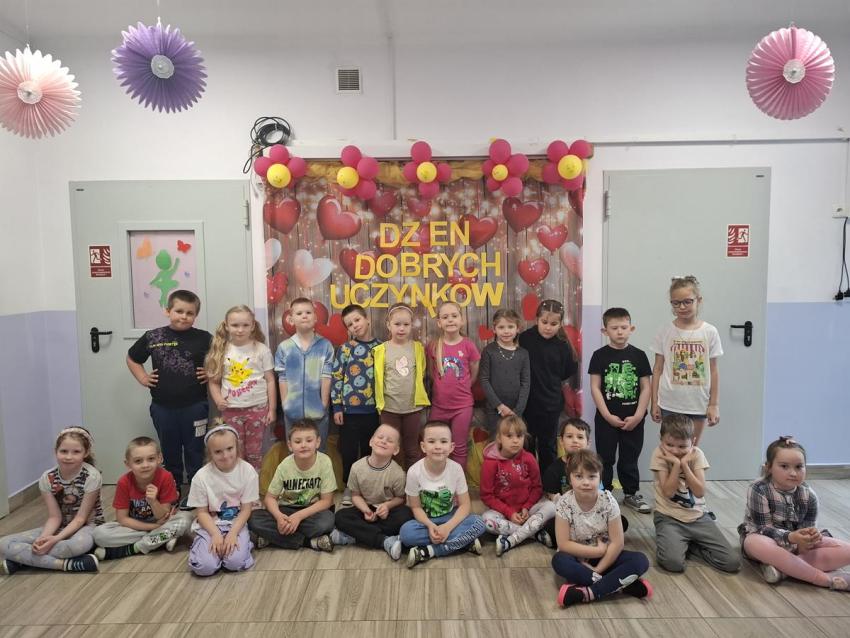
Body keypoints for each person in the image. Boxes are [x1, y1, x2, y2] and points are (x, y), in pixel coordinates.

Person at [739, 436, 850, 590]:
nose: (793, 473)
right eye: (784, 466)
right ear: (768, 467)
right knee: (753, 543)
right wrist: (791, 537)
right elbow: (762, 528)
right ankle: (824, 579)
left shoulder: (809, 495)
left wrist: (809, 538)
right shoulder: (758, 489)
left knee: (847, 549)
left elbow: (808, 528)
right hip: (767, 540)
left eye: (799, 467)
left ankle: (783, 570)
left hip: (796, 545)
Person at [127, 289, 212, 492]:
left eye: (189, 313)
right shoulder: (153, 336)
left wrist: (211, 373)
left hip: (195, 407)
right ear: (168, 311)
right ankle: (172, 489)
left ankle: (197, 490)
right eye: (179, 311)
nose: (184, 316)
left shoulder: (204, 338)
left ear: (196, 315)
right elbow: (132, 358)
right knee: (169, 450)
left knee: (195, 449)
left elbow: (223, 359)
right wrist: (143, 377)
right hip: (163, 408)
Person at [552, 449, 652, 607]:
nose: (585, 482)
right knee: (559, 561)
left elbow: (617, 543)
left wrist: (598, 569)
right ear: (570, 478)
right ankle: (618, 585)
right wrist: (596, 552)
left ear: (600, 477)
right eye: (579, 476)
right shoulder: (564, 503)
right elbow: (564, 544)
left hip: (606, 557)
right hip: (576, 557)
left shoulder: (608, 501)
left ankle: (589, 592)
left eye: (592, 476)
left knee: (640, 560)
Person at [0, 427, 103, 574]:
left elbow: (81, 519)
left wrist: (55, 539)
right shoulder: (47, 478)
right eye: (63, 451)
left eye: (76, 452)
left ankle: (21, 561)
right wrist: (43, 539)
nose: (68, 457)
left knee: (75, 546)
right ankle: (66, 564)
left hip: (88, 526)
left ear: (85, 453)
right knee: (3, 543)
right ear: (56, 451)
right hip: (60, 525)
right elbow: (55, 517)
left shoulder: (91, 476)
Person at [651, 415, 740, 573]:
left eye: (682, 446)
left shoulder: (697, 454)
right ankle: (681, 543)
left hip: (699, 517)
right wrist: (676, 465)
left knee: (732, 563)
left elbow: (699, 492)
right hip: (668, 517)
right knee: (673, 564)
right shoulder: (659, 454)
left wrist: (685, 465)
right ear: (661, 439)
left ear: (693, 441)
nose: (675, 451)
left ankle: (689, 545)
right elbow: (668, 492)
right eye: (669, 445)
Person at [589, 307, 652, 514]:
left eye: (624, 327)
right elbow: (595, 387)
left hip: (634, 419)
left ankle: (631, 493)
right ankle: (604, 493)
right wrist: (607, 415)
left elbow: (646, 388)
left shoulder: (639, 355)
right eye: (614, 328)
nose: (619, 332)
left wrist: (639, 415)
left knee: (630, 457)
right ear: (605, 331)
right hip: (606, 419)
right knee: (605, 457)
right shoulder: (599, 356)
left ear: (631, 328)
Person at [401, 421, 486, 568]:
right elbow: (416, 507)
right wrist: (429, 525)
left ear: (451, 447)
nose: (438, 446)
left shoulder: (456, 469)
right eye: (431, 441)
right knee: (406, 534)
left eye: (443, 441)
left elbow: (465, 505)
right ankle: (463, 542)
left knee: (479, 523)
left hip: (450, 517)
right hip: (426, 521)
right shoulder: (414, 472)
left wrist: (447, 527)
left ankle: (430, 551)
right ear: (423, 446)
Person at [93, 437, 194, 560]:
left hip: (164, 522)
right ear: (128, 464)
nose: (145, 465)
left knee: (186, 519)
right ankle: (161, 539)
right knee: (99, 534)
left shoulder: (166, 477)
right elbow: (122, 519)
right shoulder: (124, 482)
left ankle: (133, 548)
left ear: (160, 458)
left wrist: (153, 501)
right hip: (137, 527)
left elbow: (163, 516)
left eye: (151, 459)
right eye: (138, 461)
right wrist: (154, 528)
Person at [651, 276, 722, 446]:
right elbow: (657, 369)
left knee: (690, 450)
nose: (682, 307)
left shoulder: (709, 332)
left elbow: (713, 370)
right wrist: (654, 403)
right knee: (669, 450)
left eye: (687, 302)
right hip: (669, 403)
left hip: (697, 404)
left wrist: (714, 404)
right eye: (676, 303)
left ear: (698, 300)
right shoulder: (665, 331)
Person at [205, 305, 276, 471]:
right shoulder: (221, 350)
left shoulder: (262, 350)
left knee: (255, 451)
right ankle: (236, 481)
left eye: (245, 325)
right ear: (227, 326)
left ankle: (254, 482)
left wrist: (272, 409)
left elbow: (270, 380)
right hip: (231, 410)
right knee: (235, 450)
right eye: (235, 325)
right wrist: (218, 399)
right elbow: (213, 381)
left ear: (252, 326)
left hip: (258, 409)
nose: (240, 329)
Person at [249, 419, 336, 552]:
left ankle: (272, 538)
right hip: (286, 510)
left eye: (309, 440)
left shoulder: (324, 462)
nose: (303, 445)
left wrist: (299, 517)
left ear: (317, 442)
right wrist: (279, 517)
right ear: (290, 445)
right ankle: (309, 542)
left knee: (327, 521)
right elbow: (270, 498)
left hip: (311, 511)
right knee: (253, 519)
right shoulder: (285, 465)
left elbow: (327, 501)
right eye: (298, 441)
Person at [540, 418, 629, 545]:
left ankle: (587, 537)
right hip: (568, 516)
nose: (575, 441)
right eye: (569, 436)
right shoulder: (553, 469)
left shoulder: (594, 465)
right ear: (561, 441)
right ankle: (588, 538)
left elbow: (600, 493)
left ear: (588, 443)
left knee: (622, 521)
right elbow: (551, 498)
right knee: (551, 525)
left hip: (593, 513)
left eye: (580, 437)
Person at [333, 424, 413, 560]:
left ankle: (356, 536)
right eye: (380, 437)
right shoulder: (357, 467)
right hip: (365, 509)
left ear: (396, 450)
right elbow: (355, 495)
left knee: (406, 515)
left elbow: (400, 498)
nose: (383, 441)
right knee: (340, 516)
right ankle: (384, 541)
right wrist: (365, 510)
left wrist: (387, 506)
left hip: (387, 512)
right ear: (371, 441)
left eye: (389, 440)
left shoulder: (398, 473)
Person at [186, 425, 258, 576]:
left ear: (237, 447)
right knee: (205, 567)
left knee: (234, 563)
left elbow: (246, 509)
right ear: (210, 453)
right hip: (210, 525)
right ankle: (203, 547)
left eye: (230, 449)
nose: (225, 456)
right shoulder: (201, 476)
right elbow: (202, 513)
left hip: (236, 524)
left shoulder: (248, 471)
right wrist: (215, 534)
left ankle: (245, 545)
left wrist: (232, 533)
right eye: (218, 452)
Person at [518, 299, 578, 474]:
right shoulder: (525, 338)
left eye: (553, 324)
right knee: (527, 443)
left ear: (560, 324)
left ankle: (548, 482)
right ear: (537, 319)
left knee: (548, 446)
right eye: (544, 322)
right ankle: (529, 480)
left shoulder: (563, 344)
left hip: (551, 404)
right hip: (527, 403)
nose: (548, 327)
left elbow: (569, 370)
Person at [331, 303, 381, 506]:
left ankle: (368, 488)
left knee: (371, 450)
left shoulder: (381, 348)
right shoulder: (345, 349)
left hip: (374, 411)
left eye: (357, 320)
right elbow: (337, 377)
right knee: (349, 451)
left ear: (367, 319)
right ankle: (349, 487)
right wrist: (337, 406)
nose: (355, 325)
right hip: (349, 412)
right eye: (350, 324)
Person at [479, 415, 550, 556]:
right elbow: (486, 495)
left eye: (519, 436)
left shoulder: (529, 458)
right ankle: (534, 534)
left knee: (552, 507)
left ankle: (512, 535)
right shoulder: (490, 463)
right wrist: (509, 512)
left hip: (527, 511)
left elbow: (537, 487)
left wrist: (526, 507)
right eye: (509, 436)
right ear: (499, 438)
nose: (515, 440)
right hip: (503, 513)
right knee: (486, 520)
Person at [373, 303, 430, 468]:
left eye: (406, 324)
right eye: (397, 324)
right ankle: (395, 481)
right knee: (391, 449)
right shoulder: (381, 350)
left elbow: (421, 372)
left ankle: (412, 481)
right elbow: (379, 377)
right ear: (388, 325)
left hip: (412, 408)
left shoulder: (417, 348)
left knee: (412, 448)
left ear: (411, 325)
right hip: (389, 408)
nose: (401, 328)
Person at [426, 301, 480, 469]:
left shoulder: (468, 345)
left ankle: (457, 483)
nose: (450, 320)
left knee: (459, 447)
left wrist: (464, 384)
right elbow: (431, 372)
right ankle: (434, 478)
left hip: (462, 407)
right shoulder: (434, 346)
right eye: (445, 317)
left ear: (462, 320)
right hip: (439, 406)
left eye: (454, 316)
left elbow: (474, 370)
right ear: (439, 322)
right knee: (433, 446)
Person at [275, 297, 334, 450]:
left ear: (315, 317)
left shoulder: (325, 346)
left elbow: (327, 376)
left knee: (319, 451)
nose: (304, 316)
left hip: (318, 411)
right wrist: (285, 403)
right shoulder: (284, 347)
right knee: (295, 451)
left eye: (308, 312)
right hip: (292, 411)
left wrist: (323, 404)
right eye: (299, 313)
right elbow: (282, 377)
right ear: (291, 319)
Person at [478, 308, 530, 434]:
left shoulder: (523, 353)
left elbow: (525, 383)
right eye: (501, 327)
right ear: (494, 329)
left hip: (516, 409)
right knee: (496, 440)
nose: (506, 331)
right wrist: (499, 406)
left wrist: (517, 410)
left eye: (510, 327)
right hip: (494, 409)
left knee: (514, 440)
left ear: (517, 328)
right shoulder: (489, 351)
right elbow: (484, 379)